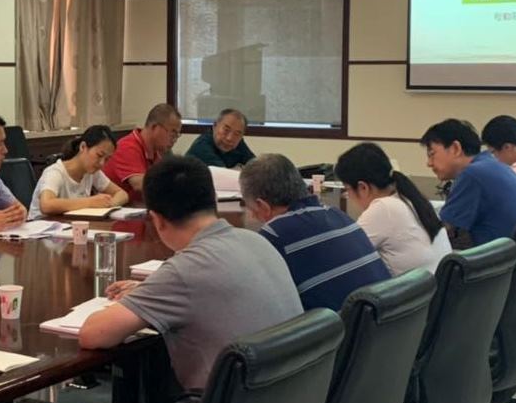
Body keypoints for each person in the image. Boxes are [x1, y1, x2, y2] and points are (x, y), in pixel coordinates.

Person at [79, 156, 302, 403]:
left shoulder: (184, 270)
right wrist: (151, 293)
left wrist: (156, 290)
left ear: (157, 220)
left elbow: (93, 334)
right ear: (213, 201)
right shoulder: (257, 241)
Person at [239, 154, 389, 311]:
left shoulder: (273, 235)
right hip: (387, 318)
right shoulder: (338, 215)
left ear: (262, 205)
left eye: (250, 208)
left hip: (341, 325)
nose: (252, 216)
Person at [422, 119, 516, 247]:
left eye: (432, 154)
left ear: (455, 148)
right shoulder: (491, 164)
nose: (429, 163)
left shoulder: (472, 174)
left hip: (509, 256)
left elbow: (440, 232)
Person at [335, 143, 451, 276]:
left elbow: (341, 257)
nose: (348, 196)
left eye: (347, 189)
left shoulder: (383, 208)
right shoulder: (410, 199)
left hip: (417, 288)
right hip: (438, 286)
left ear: (363, 188)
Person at [28, 125, 128, 219]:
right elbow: (46, 205)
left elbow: (122, 194)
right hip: (41, 227)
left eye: (107, 159)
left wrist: (109, 204)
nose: (102, 163)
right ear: (83, 147)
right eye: (99, 155)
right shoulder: (55, 172)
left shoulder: (93, 172)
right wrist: (90, 202)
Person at [103, 103, 182, 200]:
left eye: (177, 135)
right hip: (115, 206)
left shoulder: (157, 153)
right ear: (154, 127)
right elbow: (140, 184)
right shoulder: (127, 146)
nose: (174, 140)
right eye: (173, 133)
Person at [185, 108, 256, 169]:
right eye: (226, 130)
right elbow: (223, 174)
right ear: (215, 126)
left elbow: (256, 166)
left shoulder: (239, 143)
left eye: (237, 134)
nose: (229, 138)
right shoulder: (201, 146)